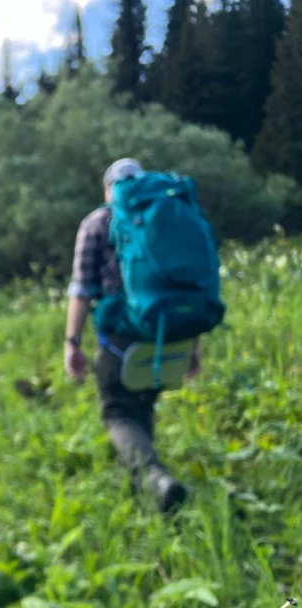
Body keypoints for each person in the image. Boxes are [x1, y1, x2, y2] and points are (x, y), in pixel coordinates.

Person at [63, 158, 201, 514]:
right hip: (170, 331)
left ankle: (154, 479)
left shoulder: (96, 222)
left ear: (109, 188)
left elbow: (81, 289)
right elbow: (189, 284)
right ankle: (150, 495)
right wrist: (193, 345)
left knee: (117, 413)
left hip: (121, 337)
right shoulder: (167, 215)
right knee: (143, 405)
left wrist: (72, 343)